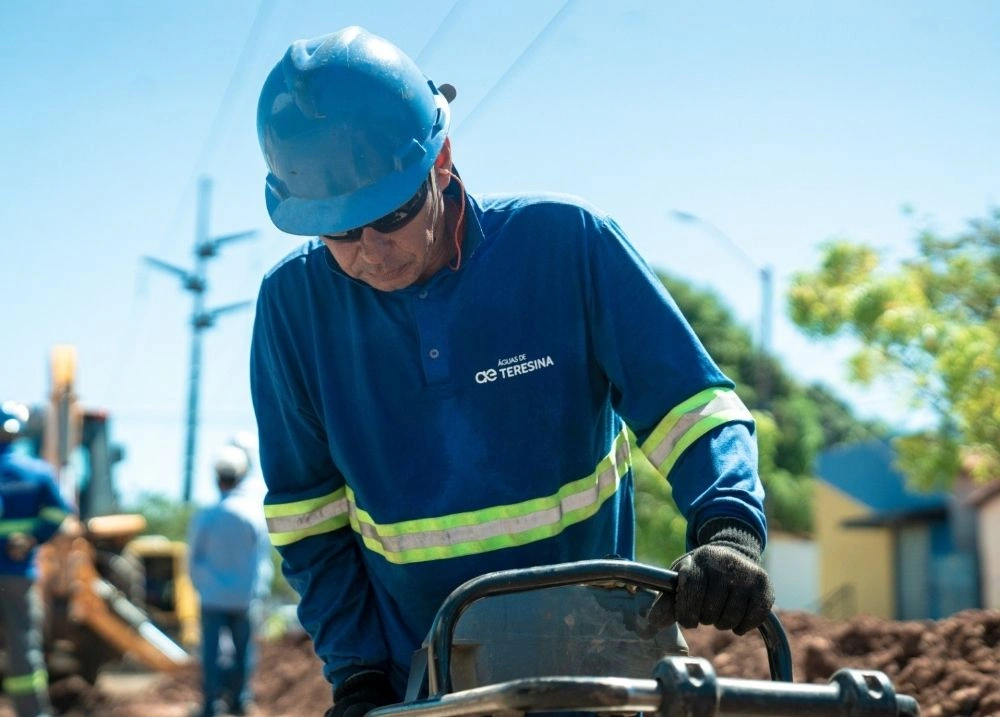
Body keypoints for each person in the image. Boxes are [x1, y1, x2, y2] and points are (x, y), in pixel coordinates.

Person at [250, 25, 776, 717]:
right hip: (429, 678)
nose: (371, 250)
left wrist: (728, 526)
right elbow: (308, 520)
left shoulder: (565, 246)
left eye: (391, 216)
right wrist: (358, 673)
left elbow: (690, 405)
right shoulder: (293, 308)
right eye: (340, 230)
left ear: (441, 161)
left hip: (598, 659)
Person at [187, 441, 273, 717]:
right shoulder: (253, 515)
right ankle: (240, 700)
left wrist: (200, 586)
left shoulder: (207, 516)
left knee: (211, 653)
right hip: (245, 597)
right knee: (244, 651)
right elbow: (262, 559)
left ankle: (211, 704)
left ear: (217, 478)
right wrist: (258, 590)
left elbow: (193, 557)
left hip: (212, 597)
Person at [0, 401, 73, 717]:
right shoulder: (37, 472)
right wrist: (33, 538)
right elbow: (59, 511)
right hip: (19, 573)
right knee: (23, 648)